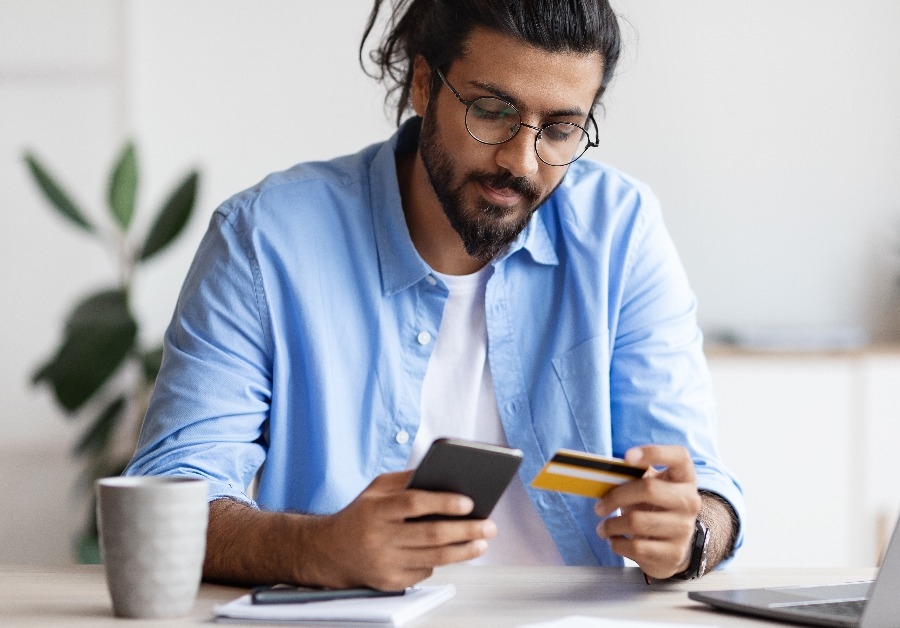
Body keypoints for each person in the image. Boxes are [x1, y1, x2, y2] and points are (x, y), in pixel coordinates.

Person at [126, 0, 744, 590]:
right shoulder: (265, 239)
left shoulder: (620, 232)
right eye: (492, 111)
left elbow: (708, 495)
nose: (522, 162)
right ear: (424, 85)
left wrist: (690, 535)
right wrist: (314, 549)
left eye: (560, 129)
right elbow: (167, 498)